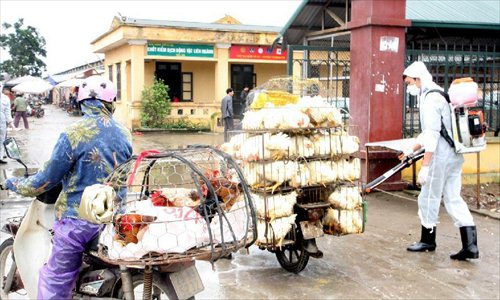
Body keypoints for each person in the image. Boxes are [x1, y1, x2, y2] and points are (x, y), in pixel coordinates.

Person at [3, 75, 133, 298]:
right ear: (111, 104)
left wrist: (14, 183)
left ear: (82, 102)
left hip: (79, 223)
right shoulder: (124, 134)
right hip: (115, 220)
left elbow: (46, 179)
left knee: (55, 279)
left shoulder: (73, 134)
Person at [402, 61, 478, 260]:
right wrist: (412, 149)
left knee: (428, 196)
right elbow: (432, 132)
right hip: (455, 154)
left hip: (440, 156)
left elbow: (433, 136)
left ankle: (427, 240)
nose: (409, 87)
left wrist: (425, 167)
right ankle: (471, 245)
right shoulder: (439, 94)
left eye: (410, 82)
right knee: (453, 197)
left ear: (419, 79)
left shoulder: (429, 99)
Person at [1, 86, 14, 164]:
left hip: (2, 122)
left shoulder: (6, 98)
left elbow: (7, 112)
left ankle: (1, 155)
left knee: (2, 139)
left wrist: (11, 123)